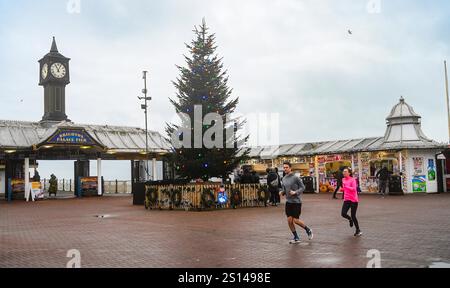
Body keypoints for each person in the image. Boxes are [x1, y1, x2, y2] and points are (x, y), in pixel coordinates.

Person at [279, 162, 313, 244]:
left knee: (296, 220)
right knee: (289, 221)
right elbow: (285, 189)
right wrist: (282, 192)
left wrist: (295, 192)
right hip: (288, 202)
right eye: (284, 167)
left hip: (296, 202)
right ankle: (296, 237)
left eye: (286, 167)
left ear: (290, 168)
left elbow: (303, 187)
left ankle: (308, 230)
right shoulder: (283, 179)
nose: (285, 169)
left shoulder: (295, 178)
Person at [340, 167, 362, 237]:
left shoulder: (353, 180)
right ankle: (350, 219)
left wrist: (346, 187)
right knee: (343, 213)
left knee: (353, 215)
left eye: (345, 171)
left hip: (353, 200)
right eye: (343, 171)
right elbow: (345, 188)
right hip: (346, 199)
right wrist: (342, 189)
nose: (344, 173)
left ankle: (358, 230)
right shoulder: (343, 179)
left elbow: (354, 189)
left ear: (349, 173)